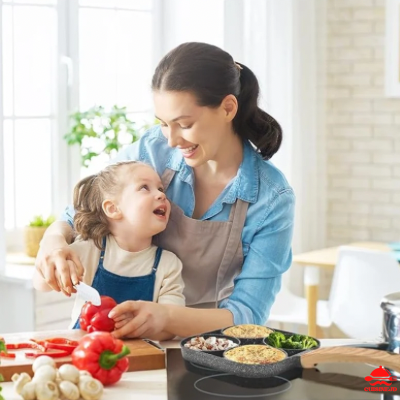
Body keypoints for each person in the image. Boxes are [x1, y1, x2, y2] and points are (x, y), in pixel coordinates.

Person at [35, 42, 295, 340]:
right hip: (131, 342)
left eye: (184, 124)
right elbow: (78, 212)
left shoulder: (272, 198)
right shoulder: (152, 150)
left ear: (227, 108)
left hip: (209, 344)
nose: (171, 140)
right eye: (163, 124)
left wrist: (167, 317)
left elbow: (249, 314)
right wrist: (54, 241)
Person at [33, 161, 185, 340]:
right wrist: (55, 269)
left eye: (161, 189)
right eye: (145, 187)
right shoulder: (90, 250)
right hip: (84, 355)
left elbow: (172, 326)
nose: (161, 195)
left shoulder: (168, 264)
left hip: (140, 361)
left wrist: (140, 324)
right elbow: (41, 284)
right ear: (113, 209)